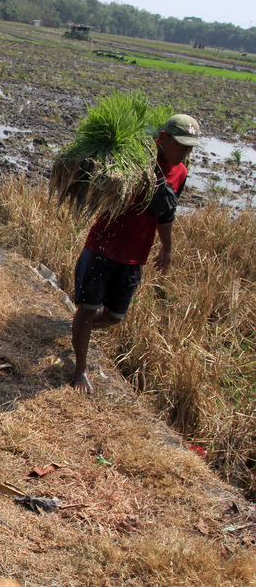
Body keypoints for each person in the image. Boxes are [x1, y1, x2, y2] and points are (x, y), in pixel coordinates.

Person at [71, 114, 202, 394]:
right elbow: (96, 182)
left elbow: (167, 212)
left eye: (190, 147)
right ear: (163, 138)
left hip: (135, 254)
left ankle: (79, 328)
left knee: (115, 316)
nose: (186, 152)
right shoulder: (133, 159)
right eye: (181, 145)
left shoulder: (180, 172)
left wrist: (166, 248)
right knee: (88, 307)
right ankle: (80, 368)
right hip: (103, 247)